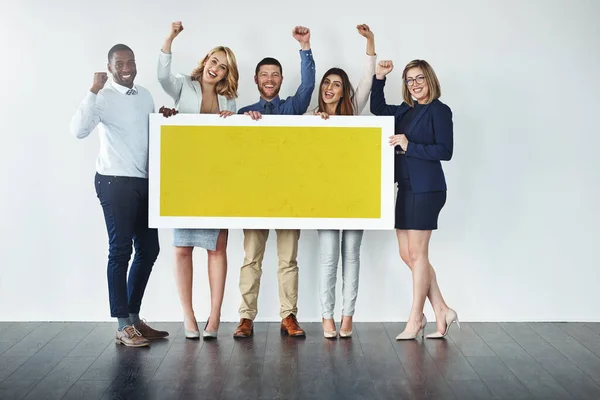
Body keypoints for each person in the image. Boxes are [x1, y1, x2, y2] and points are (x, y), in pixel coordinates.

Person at [70, 44, 169, 347]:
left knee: (149, 249)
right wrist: (92, 90)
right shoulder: (102, 97)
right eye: (120, 64)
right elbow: (78, 130)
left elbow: (146, 133)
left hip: (143, 182)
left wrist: (164, 118)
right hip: (115, 181)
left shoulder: (145, 95)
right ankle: (122, 324)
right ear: (110, 67)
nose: (126, 68)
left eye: (130, 62)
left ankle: (134, 318)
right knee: (120, 250)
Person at [157, 21, 238, 340]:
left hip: (217, 180)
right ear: (205, 61)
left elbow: (234, 143)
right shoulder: (182, 85)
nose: (216, 67)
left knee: (217, 248)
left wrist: (236, 123)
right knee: (182, 248)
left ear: (227, 74)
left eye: (223, 65)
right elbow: (163, 75)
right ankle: (188, 316)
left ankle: (214, 317)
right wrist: (170, 39)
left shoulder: (230, 101)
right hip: (185, 179)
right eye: (213, 60)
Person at [233, 26, 315, 338]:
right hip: (255, 197)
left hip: (288, 196)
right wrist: (236, 122)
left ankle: (289, 317)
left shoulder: (292, 109)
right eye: (264, 74)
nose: (269, 79)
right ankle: (245, 318)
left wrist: (305, 47)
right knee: (251, 259)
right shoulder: (243, 112)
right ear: (256, 80)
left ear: (281, 80)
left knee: (288, 260)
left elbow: (308, 86)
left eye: (275, 75)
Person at [370, 58, 459, 340]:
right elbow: (377, 109)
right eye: (410, 80)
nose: (415, 84)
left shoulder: (440, 111)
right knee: (407, 254)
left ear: (429, 79)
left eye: (419, 78)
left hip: (427, 189)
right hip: (406, 188)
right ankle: (442, 309)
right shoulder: (405, 112)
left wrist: (410, 146)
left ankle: (415, 318)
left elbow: (445, 151)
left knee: (419, 255)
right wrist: (379, 78)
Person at [305, 24, 376, 338]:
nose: (330, 88)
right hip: (325, 198)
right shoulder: (309, 117)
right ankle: (326, 317)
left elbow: (367, 79)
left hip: (355, 197)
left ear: (344, 91)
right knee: (329, 256)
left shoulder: (353, 112)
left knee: (352, 254)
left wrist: (370, 42)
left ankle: (348, 316)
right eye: (327, 83)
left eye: (337, 84)